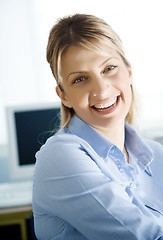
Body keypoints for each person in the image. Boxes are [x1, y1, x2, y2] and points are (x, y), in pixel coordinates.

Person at [32, 14, 163, 240]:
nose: (101, 91)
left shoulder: (156, 154)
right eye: (80, 79)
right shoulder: (60, 155)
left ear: (129, 71)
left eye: (109, 68)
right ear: (63, 95)